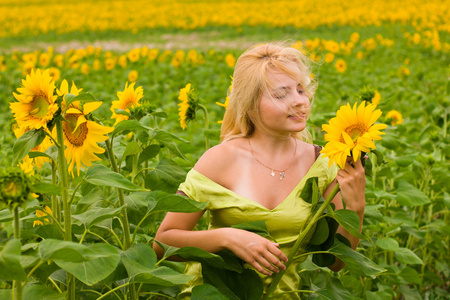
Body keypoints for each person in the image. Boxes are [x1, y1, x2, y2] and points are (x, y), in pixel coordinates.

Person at [153, 42, 366, 299]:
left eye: (301, 89)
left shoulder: (321, 162)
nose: (300, 101)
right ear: (251, 103)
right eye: (281, 94)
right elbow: (162, 243)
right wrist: (227, 238)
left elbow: (335, 261)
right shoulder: (220, 159)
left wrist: (357, 205)